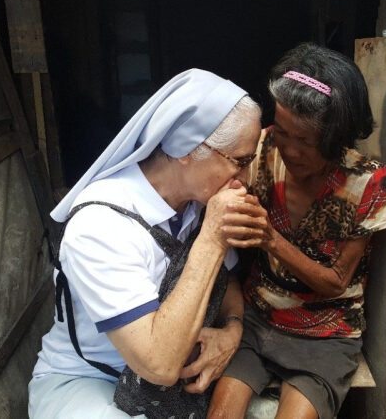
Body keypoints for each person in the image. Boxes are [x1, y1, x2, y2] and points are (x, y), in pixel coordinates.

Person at [28, 69, 262, 418]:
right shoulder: (100, 224)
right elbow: (159, 365)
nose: (244, 180)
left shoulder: (197, 205)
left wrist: (231, 330)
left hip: (168, 384)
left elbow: (226, 286)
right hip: (90, 379)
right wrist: (212, 238)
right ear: (188, 149)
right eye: (239, 162)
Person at [208, 43, 386, 419]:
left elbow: (335, 282)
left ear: (335, 139)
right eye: (283, 132)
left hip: (327, 335)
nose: (290, 150)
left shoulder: (367, 184)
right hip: (257, 317)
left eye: (306, 141)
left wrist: (270, 240)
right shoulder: (261, 150)